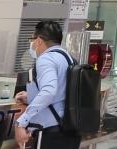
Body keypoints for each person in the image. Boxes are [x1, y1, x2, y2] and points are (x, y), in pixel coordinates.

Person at [15, 20, 77, 149]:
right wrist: (32, 96)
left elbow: (49, 91)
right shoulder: (68, 58)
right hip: (70, 129)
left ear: (38, 40)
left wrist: (22, 122)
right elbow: (62, 91)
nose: (32, 44)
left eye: (32, 39)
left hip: (51, 132)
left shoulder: (46, 59)